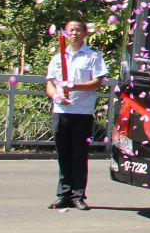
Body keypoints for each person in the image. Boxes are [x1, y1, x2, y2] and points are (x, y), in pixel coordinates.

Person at [44, 19, 108, 211]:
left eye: (78, 30)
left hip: (82, 112)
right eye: (71, 30)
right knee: (63, 155)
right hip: (61, 112)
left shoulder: (93, 56)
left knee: (79, 155)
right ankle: (63, 194)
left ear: (85, 33)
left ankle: (78, 195)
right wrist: (56, 96)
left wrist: (74, 87)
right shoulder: (58, 57)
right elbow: (50, 84)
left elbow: (97, 82)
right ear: (65, 33)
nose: (74, 33)